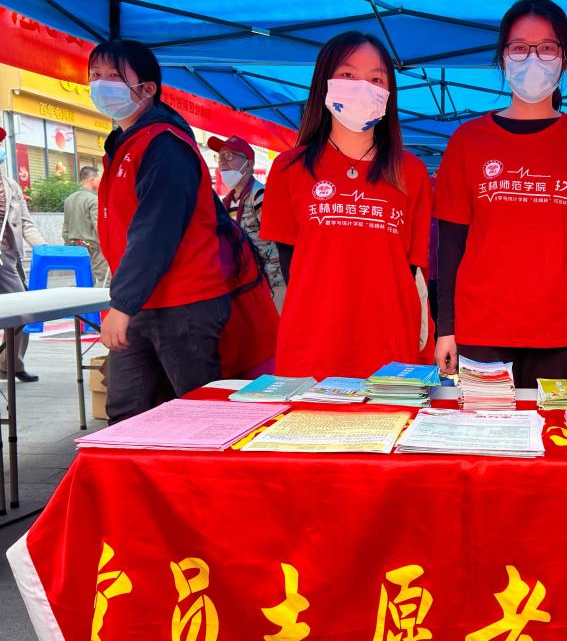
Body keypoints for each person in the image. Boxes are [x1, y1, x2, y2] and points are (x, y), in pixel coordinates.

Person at [433, 0, 567, 384]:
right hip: (481, 328)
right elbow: (450, 245)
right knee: (483, 424)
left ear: (564, 57)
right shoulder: (468, 141)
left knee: (553, 424)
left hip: (561, 331)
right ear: (502, 57)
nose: (532, 58)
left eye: (546, 48)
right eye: (519, 48)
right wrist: (445, 326)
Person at [260, 31, 431, 379]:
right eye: (348, 74)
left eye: (376, 79)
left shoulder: (410, 172)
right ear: (325, 81)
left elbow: (413, 271)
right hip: (313, 346)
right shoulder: (289, 168)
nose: (362, 87)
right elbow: (290, 264)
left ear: (389, 93)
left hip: (390, 346)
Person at [89, 39, 230, 422]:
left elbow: (155, 231)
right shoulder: (124, 145)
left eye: (114, 76)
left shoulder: (163, 144)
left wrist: (122, 304)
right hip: (143, 301)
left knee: (197, 413)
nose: (101, 84)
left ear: (148, 88)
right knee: (126, 411)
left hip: (183, 303)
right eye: (95, 75)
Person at [208, 135, 286, 310]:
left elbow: (280, 239)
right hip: (250, 284)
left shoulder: (260, 195)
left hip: (274, 284)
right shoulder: (227, 202)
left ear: (249, 164)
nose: (222, 162)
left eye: (229, 156)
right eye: (219, 157)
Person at [0, 127, 45, 382]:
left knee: (22, 311)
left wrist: (43, 246)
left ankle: (11, 363)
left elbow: (26, 222)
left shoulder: (11, 186)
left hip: (7, 258)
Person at [62, 166, 108, 286]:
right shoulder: (94, 200)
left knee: (84, 282)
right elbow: (100, 227)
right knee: (104, 281)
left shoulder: (69, 200)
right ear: (92, 180)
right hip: (95, 250)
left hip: (77, 249)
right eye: (98, 179)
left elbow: (65, 229)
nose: (100, 182)